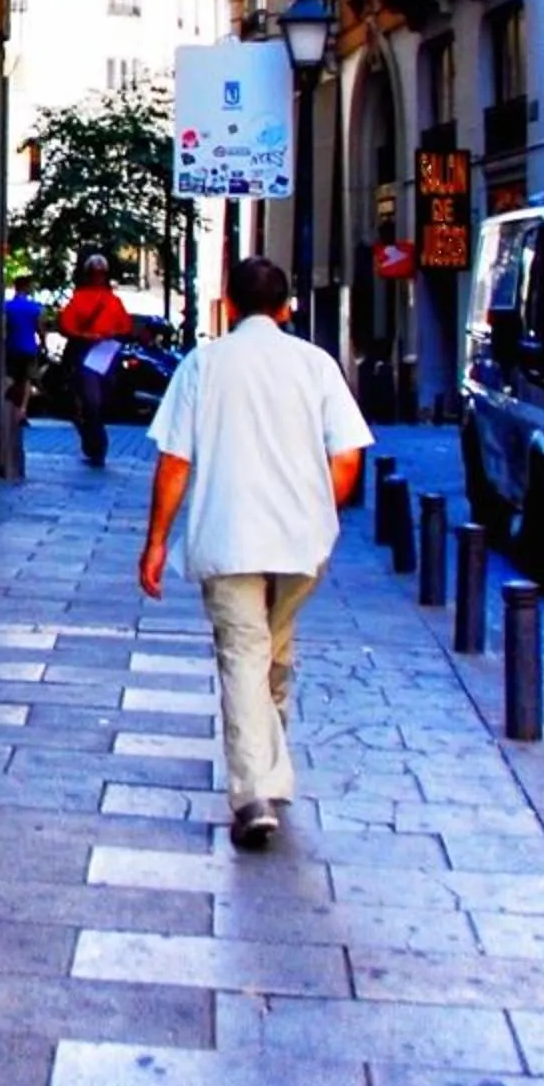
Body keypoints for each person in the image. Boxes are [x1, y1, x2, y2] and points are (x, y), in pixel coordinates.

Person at [138, 252, 372, 851]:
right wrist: (323, 512)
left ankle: (254, 794)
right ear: (288, 307)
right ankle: (269, 766)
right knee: (273, 647)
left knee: (243, 652)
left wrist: (157, 541)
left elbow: (175, 461)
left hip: (229, 532)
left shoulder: (204, 365)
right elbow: (347, 457)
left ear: (231, 304)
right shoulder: (316, 366)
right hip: (301, 541)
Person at [56, 252, 132, 465]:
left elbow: (125, 326)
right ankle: (96, 443)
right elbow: (66, 325)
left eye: (101, 274)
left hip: (105, 356)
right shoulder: (79, 298)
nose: (98, 277)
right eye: (95, 273)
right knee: (92, 401)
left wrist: (110, 335)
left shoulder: (113, 300)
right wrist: (84, 335)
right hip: (85, 355)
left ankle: (94, 440)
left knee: (100, 400)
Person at [3, 277, 43, 411]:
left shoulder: (7, 306)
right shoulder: (34, 307)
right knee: (27, 378)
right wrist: (43, 343)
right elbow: (39, 328)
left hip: (11, 346)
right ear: (26, 288)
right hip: (29, 347)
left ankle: (5, 405)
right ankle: (23, 409)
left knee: (10, 375)